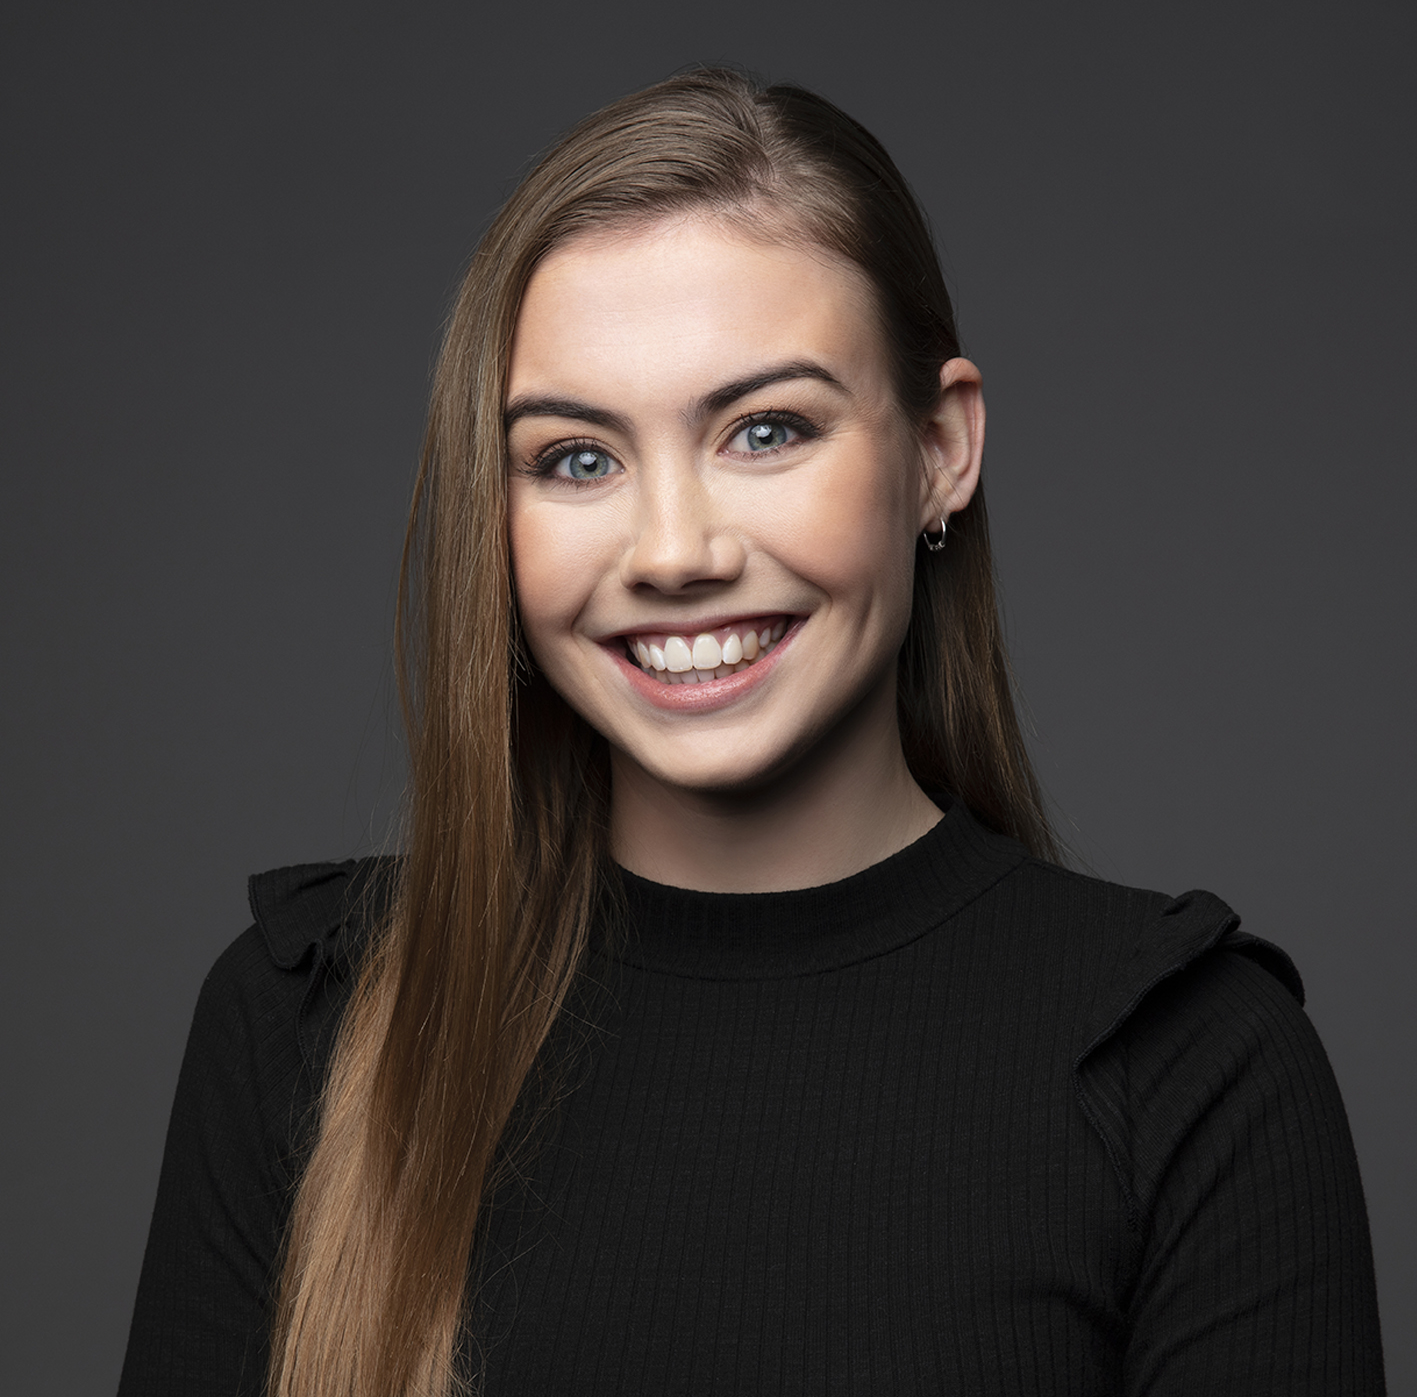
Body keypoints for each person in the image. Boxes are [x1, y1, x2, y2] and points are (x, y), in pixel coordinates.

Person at [118, 68, 1385, 1397]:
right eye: (577, 458)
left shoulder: (1187, 1070)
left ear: (941, 450)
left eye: (765, 431)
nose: (674, 552)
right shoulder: (306, 1032)